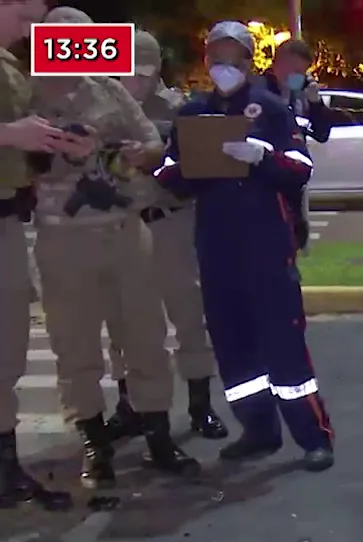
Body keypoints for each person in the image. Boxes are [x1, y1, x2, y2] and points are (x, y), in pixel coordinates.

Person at [30, 6, 200, 488]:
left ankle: (158, 436)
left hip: (125, 233)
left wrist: (115, 153)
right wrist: (50, 148)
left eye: (78, 39)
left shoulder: (109, 89)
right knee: (75, 347)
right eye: (60, 38)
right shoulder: (27, 93)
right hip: (63, 239)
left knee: (145, 339)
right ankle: (93, 442)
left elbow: (152, 147)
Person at [155, 21, 334, 471]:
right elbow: (169, 175)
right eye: (215, 54)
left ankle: (314, 436)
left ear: (248, 58)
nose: (222, 64)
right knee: (233, 345)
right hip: (216, 247)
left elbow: (299, 168)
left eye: (232, 54)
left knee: (283, 342)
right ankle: (257, 430)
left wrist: (261, 158)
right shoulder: (193, 114)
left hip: (267, 244)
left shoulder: (270, 108)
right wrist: (187, 167)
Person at [106, 28, 227, 443]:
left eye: (141, 73)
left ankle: (200, 405)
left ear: (156, 68)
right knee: (125, 323)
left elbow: (199, 171)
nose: (133, 83)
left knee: (191, 318)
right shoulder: (102, 109)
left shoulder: (180, 109)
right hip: (122, 225)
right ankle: (130, 406)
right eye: (126, 73)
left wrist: (158, 158)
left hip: (171, 222)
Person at [0, 0, 83, 509]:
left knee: (7, 353)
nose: (32, 29)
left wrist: (51, 145)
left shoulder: (10, 65)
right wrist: (12, 134)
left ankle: (6, 468)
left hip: (8, 215)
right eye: (25, 15)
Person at [260, 38, 334, 253]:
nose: (297, 77)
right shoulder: (258, 92)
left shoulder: (298, 95)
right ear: (278, 63)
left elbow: (321, 133)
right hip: (266, 187)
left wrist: (316, 104)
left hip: (291, 188)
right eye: (293, 70)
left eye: (302, 72)